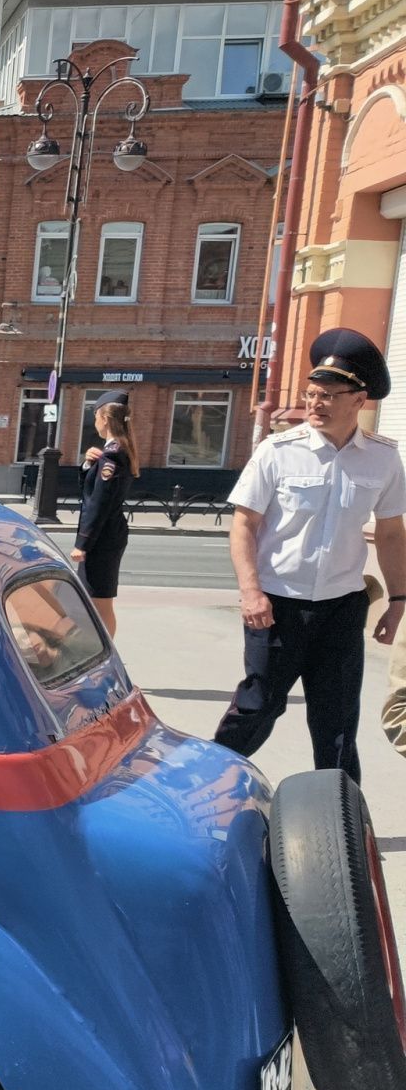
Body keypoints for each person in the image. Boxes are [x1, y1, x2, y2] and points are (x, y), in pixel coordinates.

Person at [213, 328, 406, 783]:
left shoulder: (383, 460)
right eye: (311, 393)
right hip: (276, 606)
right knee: (258, 707)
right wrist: (250, 593)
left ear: (359, 399)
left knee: (337, 724)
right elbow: (244, 525)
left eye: (329, 395)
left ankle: (343, 822)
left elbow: (393, 532)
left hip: (342, 608)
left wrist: (398, 602)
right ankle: (207, 789)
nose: (316, 403)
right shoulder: (278, 452)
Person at [72, 391, 136, 636]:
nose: (95, 422)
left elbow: (99, 503)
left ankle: (105, 652)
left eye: (96, 417)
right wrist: (87, 465)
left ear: (105, 419)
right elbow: (91, 491)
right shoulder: (114, 452)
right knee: (95, 599)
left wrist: (83, 544)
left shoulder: (113, 455)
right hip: (106, 535)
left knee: (100, 602)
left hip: (102, 538)